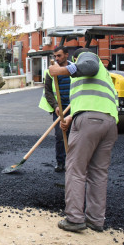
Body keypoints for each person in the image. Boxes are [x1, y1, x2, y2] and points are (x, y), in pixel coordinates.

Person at [48, 48, 119, 233]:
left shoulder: (87, 58)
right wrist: (72, 117)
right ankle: (95, 220)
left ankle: (74, 218)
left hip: (90, 123)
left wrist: (61, 71)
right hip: (109, 123)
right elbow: (92, 100)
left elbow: (89, 66)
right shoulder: (103, 76)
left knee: (75, 170)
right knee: (98, 173)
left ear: (76, 58)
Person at [38, 46, 73, 172]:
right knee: (60, 135)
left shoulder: (73, 70)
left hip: (74, 107)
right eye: (55, 56)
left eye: (59, 55)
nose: (56, 58)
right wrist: (55, 106)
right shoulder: (50, 71)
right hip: (59, 108)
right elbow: (47, 90)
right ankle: (60, 162)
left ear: (66, 55)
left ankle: (73, 162)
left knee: (74, 135)